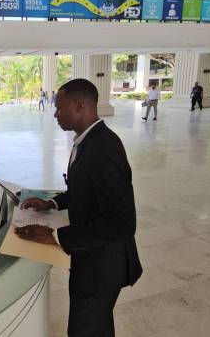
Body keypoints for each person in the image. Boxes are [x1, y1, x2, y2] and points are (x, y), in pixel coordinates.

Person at [15, 79, 142, 337]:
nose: (55, 114)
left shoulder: (103, 148)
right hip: (91, 255)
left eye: (59, 108)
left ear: (80, 105)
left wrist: (56, 236)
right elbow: (84, 191)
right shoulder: (86, 140)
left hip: (103, 264)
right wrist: (51, 203)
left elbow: (121, 222)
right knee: (95, 326)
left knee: (85, 329)